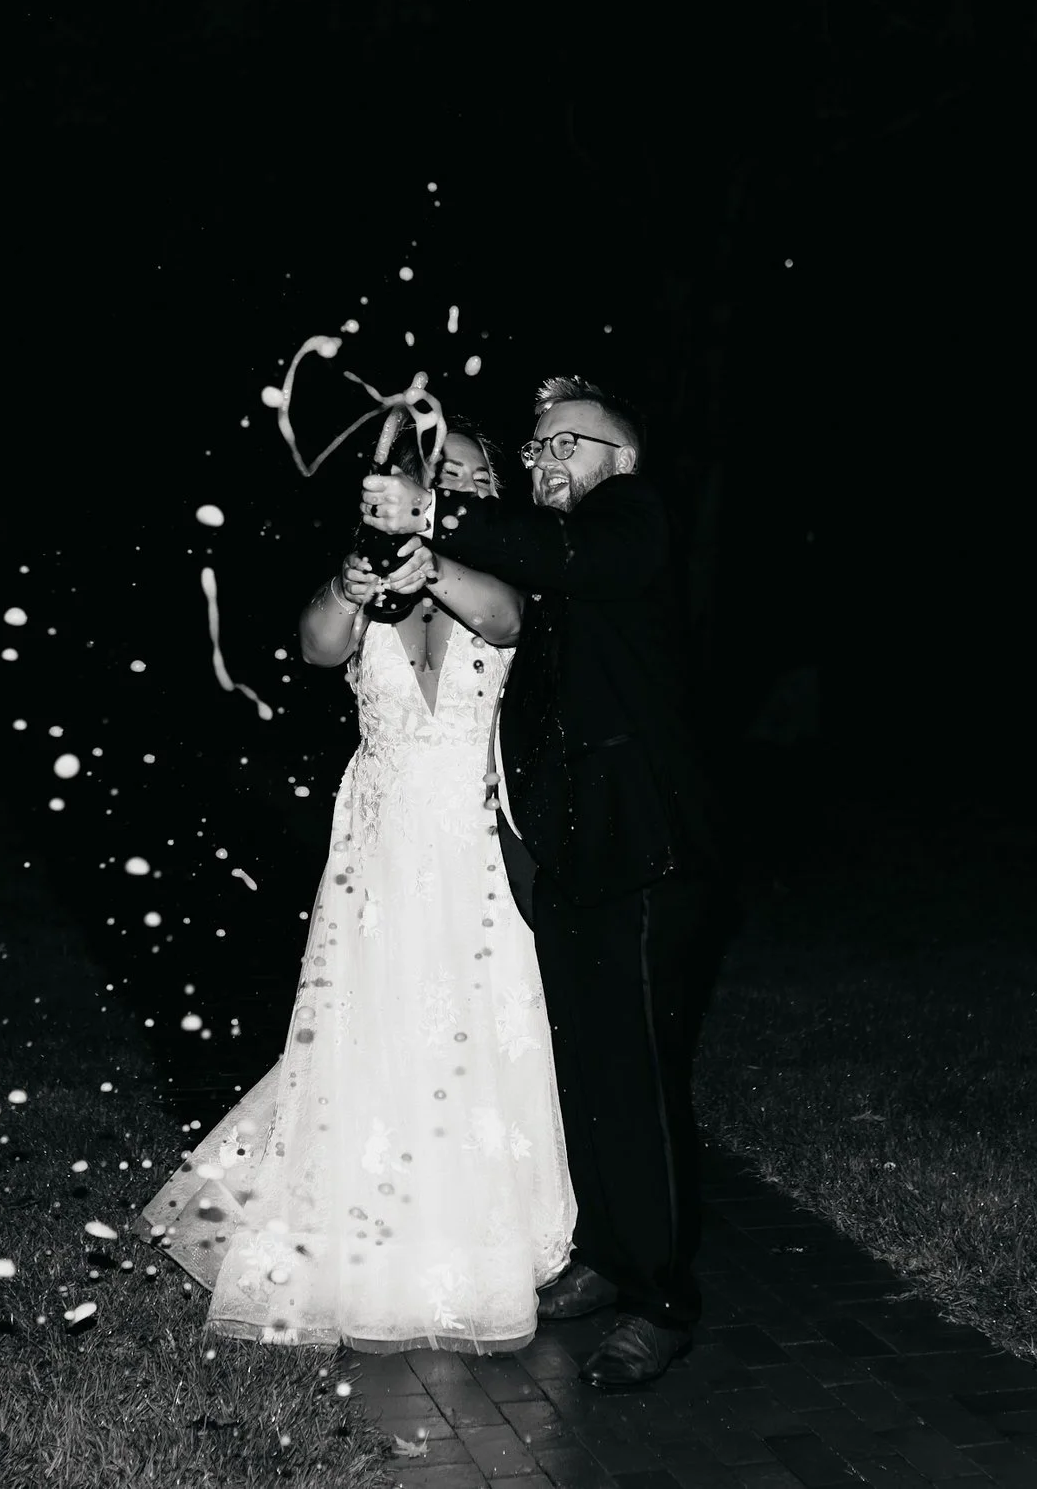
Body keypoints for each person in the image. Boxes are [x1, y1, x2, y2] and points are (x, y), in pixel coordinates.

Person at [140, 423, 576, 1353]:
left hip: (473, 845)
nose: (452, 479)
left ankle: (473, 1250)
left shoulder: (513, 573)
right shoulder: (365, 572)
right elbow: (316, 648)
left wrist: (434, 562)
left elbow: (503, 621)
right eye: (435, 467)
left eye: (471, 472)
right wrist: (350, 582)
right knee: (365, 1027)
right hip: (378, 843)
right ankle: (353, 1246)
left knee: (479, 1028)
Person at [359, 375, 730, 1389]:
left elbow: (563, 552)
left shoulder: (633, 521)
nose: (543, 458)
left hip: (650, 851)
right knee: (589, 1071)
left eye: (568, 441)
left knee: (640, 1081)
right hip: (570, 854)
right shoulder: (554, 554)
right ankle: (608, 1257)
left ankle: (663, 1299)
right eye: (536, 447)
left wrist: (430, 508)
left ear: (623, 457)